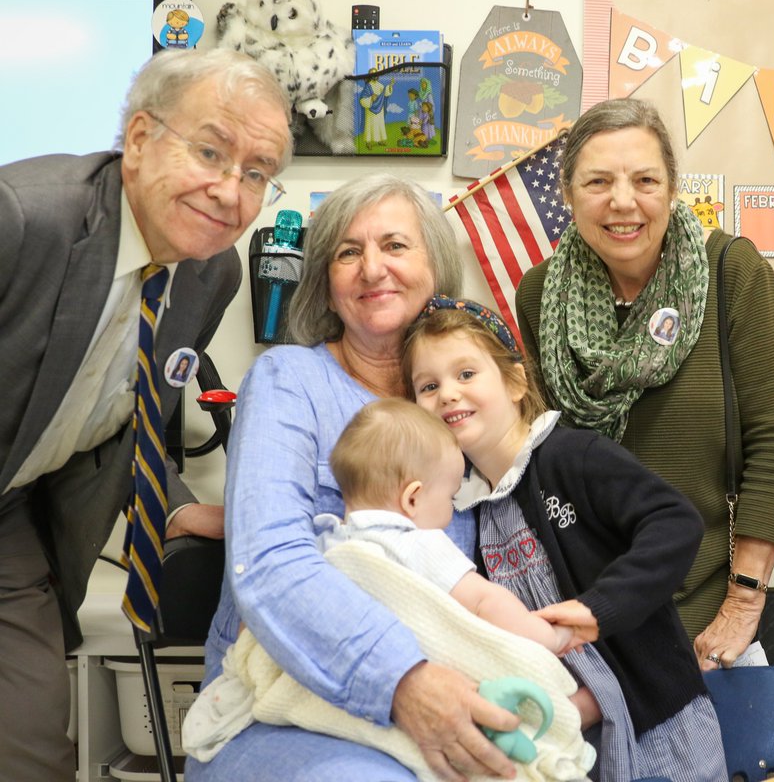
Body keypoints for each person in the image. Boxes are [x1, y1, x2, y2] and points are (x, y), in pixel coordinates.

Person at [0, 47, 291, 781]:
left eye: (256, 173)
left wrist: (189, 508)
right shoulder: (22, 217)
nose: (230, 190)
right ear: (137, 141)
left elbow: (131, 410)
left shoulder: (210, 271)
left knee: (30, 748)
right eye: (210, 152)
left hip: (8, 519)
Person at [189, 174, 524, 782]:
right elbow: (269, 562)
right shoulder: (288, 381)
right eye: (348, 252)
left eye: (395, 245)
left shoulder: (464, 405)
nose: (373, 269)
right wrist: (403, 681)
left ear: (436, 268)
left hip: (452, 695)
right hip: (283, 713)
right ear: (325, 282)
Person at [514, 98, 774, 667]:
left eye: (644, 180)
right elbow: (543, 456)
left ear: (672, 190)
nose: (623, 201)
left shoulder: (732, 273)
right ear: (569, 196)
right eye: (598, 181)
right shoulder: (540, 294)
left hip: (708, 619)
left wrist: (743, 606)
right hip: (586, 615)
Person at [404, 297, 727, 782]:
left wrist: (601, 606)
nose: (448, 394)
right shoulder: (462, 510)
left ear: (515, 382)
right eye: (428, 386)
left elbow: (675, 521)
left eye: (466, 374)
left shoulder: (573, 456)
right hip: (567, 737)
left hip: (657, 723)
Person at [184, 398, 588, 771]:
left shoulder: (324, 541)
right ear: (412, 499)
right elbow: (483, 602)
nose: (450, 511)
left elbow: (266, 624)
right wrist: (546, 637)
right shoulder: (418, 543)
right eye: (449, 497)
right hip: (416, 685)